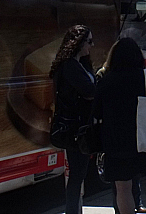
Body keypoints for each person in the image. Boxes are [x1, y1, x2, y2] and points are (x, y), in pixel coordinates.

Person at [95, 41, 146, 214]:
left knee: (122, 187)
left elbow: (97, 111)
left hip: (116, 139)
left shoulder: (107, 80)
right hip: (145, 137)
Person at [49, 25, 96, 214]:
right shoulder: (70, 66)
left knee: (78, 174)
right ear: (79, 43)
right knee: (77, 175)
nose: (92, 46)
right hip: (74, 128)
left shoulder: (79, 64)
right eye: (89, 41)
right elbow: (89, 91)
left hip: (79, 125)